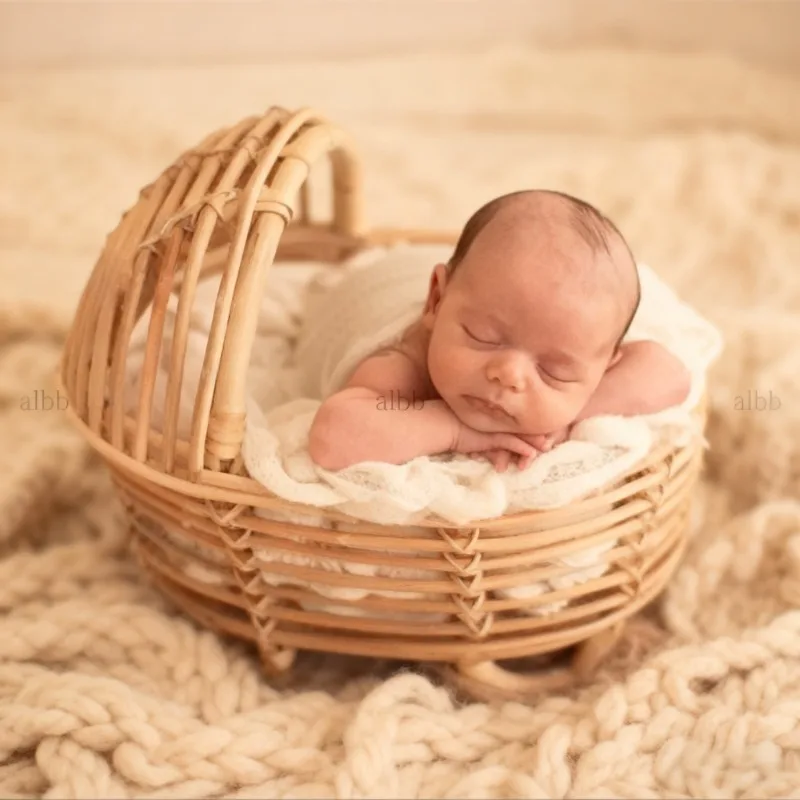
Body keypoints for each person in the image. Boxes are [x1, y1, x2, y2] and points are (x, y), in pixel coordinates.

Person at [306, 189, 691, 472]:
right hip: (368, 284)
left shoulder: (572, 337)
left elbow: (671, 375)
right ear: (436, 302)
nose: (509, 375)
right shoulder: (402, 367)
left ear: (605, 367)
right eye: (483, 336)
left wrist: (563, 415)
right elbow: (333, 436)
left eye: (553, 371)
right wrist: (455, 430)